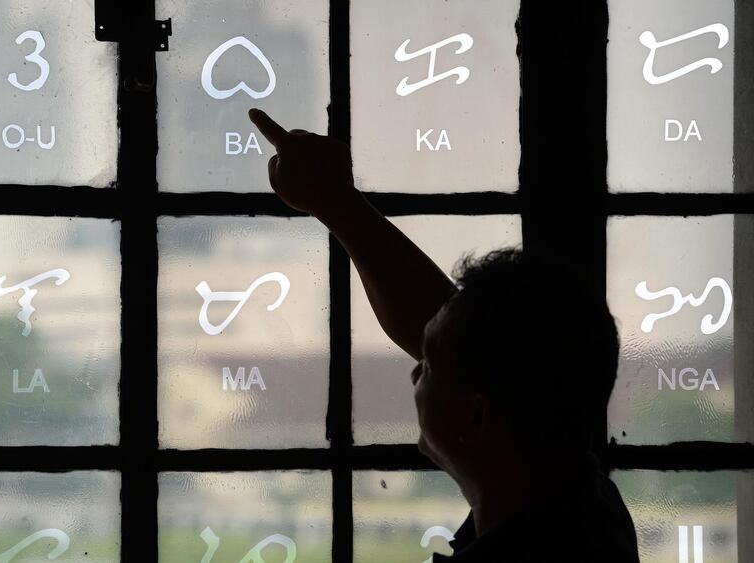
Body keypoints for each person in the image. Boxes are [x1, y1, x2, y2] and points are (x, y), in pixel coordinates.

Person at [247, 108, 641, 562]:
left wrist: (338, 203)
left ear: (477, 417)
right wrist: (338, 203)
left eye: (429, 366)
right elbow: (460, 334)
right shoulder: (585, 507)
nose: (415, 371)